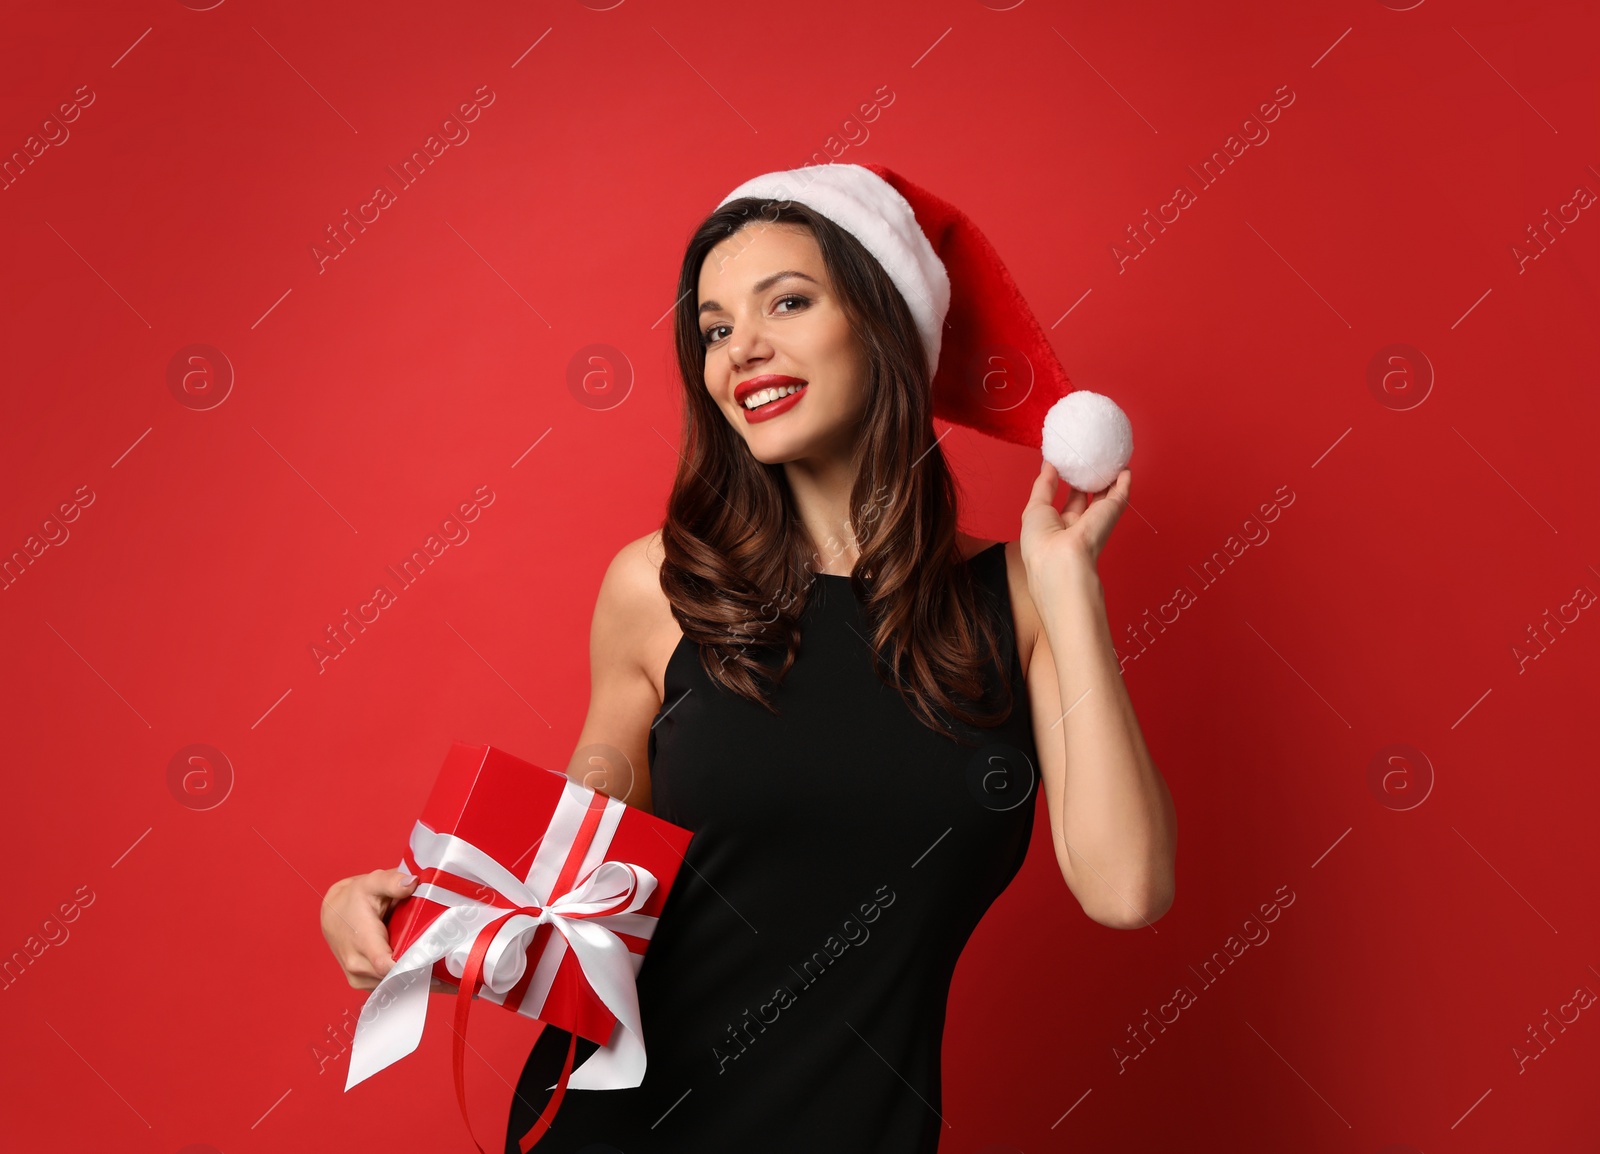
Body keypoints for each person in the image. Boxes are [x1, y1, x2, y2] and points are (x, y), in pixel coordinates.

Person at [320, 163, 1176, 1153]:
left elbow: (1125, 890)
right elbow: (579, 867)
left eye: (789, 302)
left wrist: (1070, 588)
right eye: (715, 328)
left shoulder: (1022, 596)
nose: (742, 350)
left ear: (888, 322)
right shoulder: (655, 589)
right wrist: (402, 899)